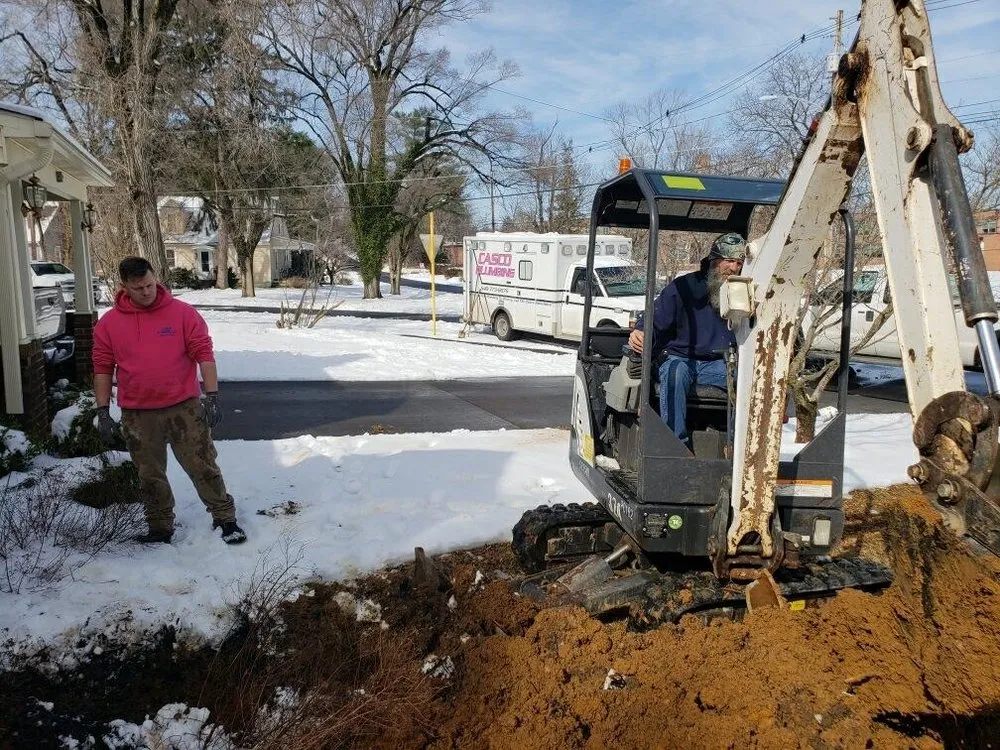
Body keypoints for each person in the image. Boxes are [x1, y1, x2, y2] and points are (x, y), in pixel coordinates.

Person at [92, 256, 247, 545]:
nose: (146, 292)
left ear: (156, 279)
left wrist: (211, 396)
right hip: (137, 413)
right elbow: (102, 367)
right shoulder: (109, 324)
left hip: (183, 407)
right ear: (124, 286)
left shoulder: (182, 314)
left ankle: (225, 518)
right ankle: (160, 527)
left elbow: (204, 354)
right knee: (149, 473)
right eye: (138, 288)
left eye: (150, 284)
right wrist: (102, 411)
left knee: (202, 464)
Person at [627, 232, 746, 447]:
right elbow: (657, 316)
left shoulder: (744, 293)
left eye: (739, 263)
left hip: (719, 364)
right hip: (680, 358)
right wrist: (641, 330)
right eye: (729, 261)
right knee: (675, 373)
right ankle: (675, 445)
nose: (734, 268)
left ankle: (738, 446)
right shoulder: (684, 287)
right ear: (714, 261)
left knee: (749, 379)